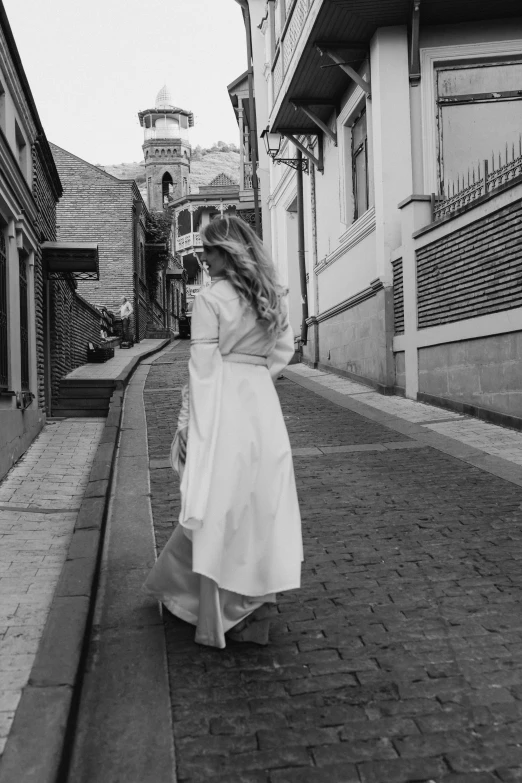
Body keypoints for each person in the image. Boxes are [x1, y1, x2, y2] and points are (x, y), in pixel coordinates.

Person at [143, 216, 303, 648]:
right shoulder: (271, 295)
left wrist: (191, 426)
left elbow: (204, 371)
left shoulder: (211, 299)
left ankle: (223, 610)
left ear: (227, 252)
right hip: (261, 407)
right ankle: (254, 601)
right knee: (257, 502)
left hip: (224, 407)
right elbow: (282, 351)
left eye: (209, 251)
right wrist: (253, 376)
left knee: (218, 506)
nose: (202, 258)